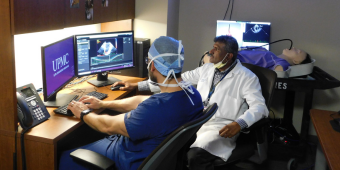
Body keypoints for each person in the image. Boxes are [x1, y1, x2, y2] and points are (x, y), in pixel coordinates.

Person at [114, 35, 268, 170]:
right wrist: (137, 85)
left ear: (228, 56)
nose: (210, 52)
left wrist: (239, 123)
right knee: (169, 146)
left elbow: (260, 107)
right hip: (197, 120)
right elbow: (175, 80)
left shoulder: (247, 78)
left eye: (216, 49)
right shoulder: (207, 69)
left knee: (195, 156)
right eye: (212, 47)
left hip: (220, 127)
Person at [58, 36, 204, 170]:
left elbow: (108, 126)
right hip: (154, 157)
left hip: (126, 159)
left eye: (148, 61)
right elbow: (141, 100)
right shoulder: (192, 95)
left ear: (152, 65)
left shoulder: (155, 109)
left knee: (62, 156)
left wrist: (83, 112)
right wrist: (103, 104)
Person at [202, 47, 312, 71]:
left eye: (298, 51)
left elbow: (279, 71)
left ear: (296, 61)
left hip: (229, 64)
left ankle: (209, 65)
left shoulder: (281, 62)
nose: (295, 48)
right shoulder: (268, 52)